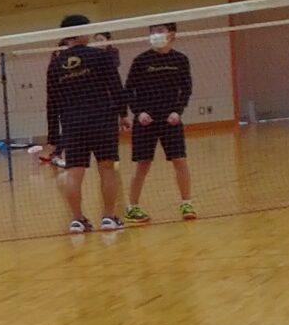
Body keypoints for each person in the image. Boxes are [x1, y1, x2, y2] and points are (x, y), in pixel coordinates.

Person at [44, 13, 128, 233]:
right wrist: (123, 114)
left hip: (72, 124)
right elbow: (116, 87)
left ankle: (77, 220)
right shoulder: (100, 56)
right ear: (79, 32)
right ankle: (108, 217)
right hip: (102, 119)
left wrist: (53, 136)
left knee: (75, 172)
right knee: (107, 168)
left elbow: (52, 102)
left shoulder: (55, 65)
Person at [123, 22, 196, 224]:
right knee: (142, 165)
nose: (155, 34)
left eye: (160, 31)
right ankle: (132, 207)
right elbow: (128, 90)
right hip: (145, 121)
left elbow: (186, 89)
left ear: (171, 34)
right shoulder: (141, 60)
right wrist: (139, 112)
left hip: (170, 120)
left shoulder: (180, 59)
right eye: (152, 31)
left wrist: (177, 111)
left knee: (180, 161)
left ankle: (187, 203)